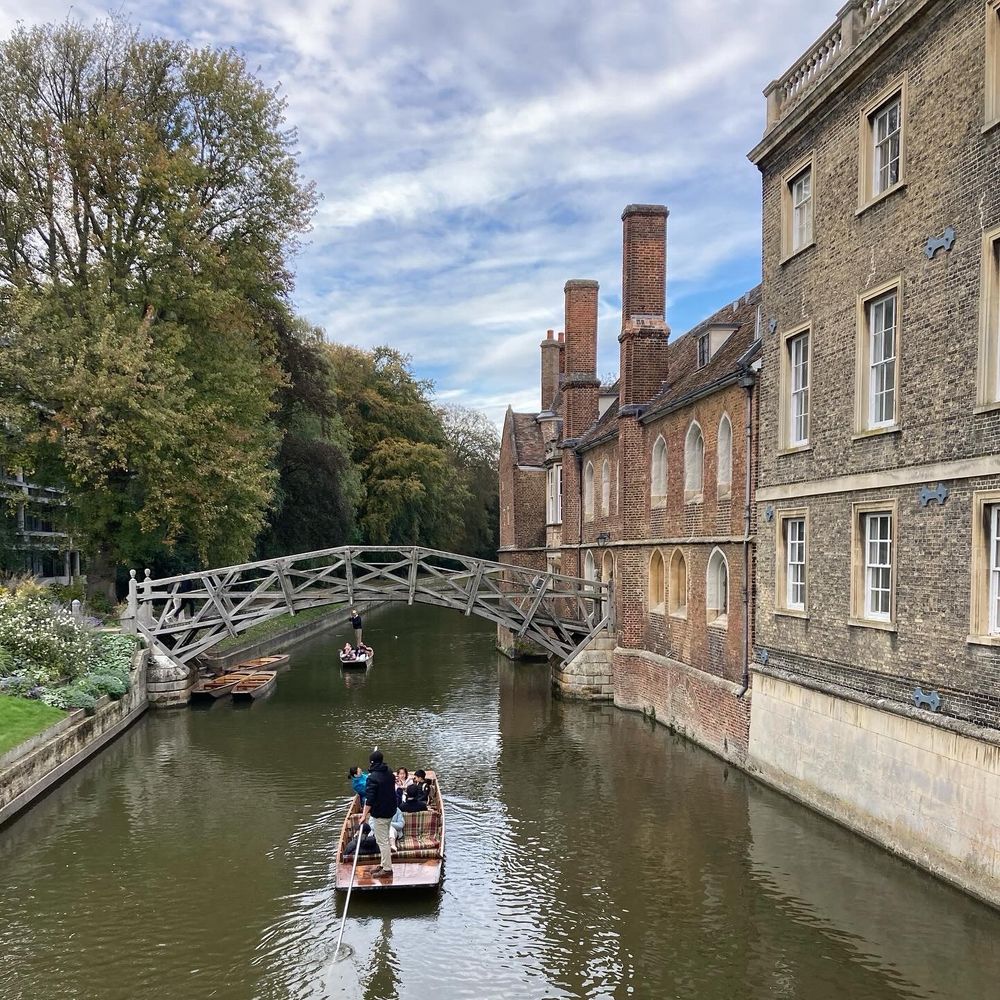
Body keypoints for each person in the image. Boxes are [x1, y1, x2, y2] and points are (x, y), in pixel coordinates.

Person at [360, 749, 396, 878]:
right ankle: (383, 864)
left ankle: (387, 869)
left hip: (380, 813)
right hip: (391, 810)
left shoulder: (372, 778)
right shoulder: (390, 772)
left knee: (382, 841)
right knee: (384, 838)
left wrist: (364, 815)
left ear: (371, 763)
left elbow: (369, 800)